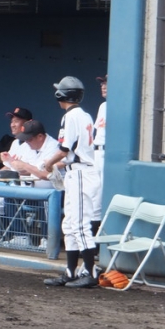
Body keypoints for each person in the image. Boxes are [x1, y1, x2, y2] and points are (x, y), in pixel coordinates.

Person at [43, 76, 101, 288]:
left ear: (62, 95)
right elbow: (71, 153)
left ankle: (90, 273)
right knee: (69, 224)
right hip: (76, 171)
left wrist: (49, 163)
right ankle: (70, 272)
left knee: (79, 225)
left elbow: (64, 149)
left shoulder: (71, 116)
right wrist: (57, 165)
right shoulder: (84, 115)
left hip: (80, 174)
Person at [1, 119, 61, 249]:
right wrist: (11, 162)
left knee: (44, 199)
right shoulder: (29, 147)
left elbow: (44, 174)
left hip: (55, 193)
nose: (27, 142)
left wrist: (25, 166)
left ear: (40, 136)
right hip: (32, 190)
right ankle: (21, 236)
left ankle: (47, 238)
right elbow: (25, 169)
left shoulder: (53, 147)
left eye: (29, 139)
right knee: (10, 196)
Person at [92, 74, 107, 242]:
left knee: (99, 196)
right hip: (96, 152)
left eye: (107, 83)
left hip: (107, 153)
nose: (103, 86)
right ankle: (92, 242)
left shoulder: (119, 105)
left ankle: (96, 243)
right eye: (102, 83)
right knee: (94, 194)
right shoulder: (103, 106)